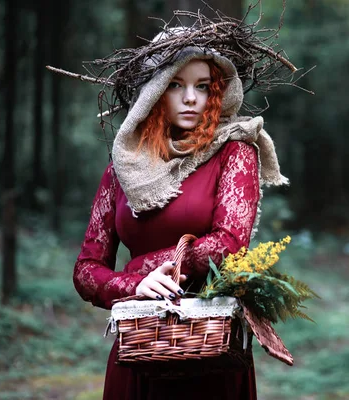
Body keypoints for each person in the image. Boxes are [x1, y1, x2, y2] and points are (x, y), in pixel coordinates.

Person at [72, 26, 290, 400]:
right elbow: (86, 269)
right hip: (139, 348)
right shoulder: (125, 166)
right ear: (155, 92)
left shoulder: (235, 151)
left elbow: (230, 244)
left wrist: (139, 268)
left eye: (203, 86)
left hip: (209, 346)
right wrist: (134, 286)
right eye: (176, 84)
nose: (191, 98)